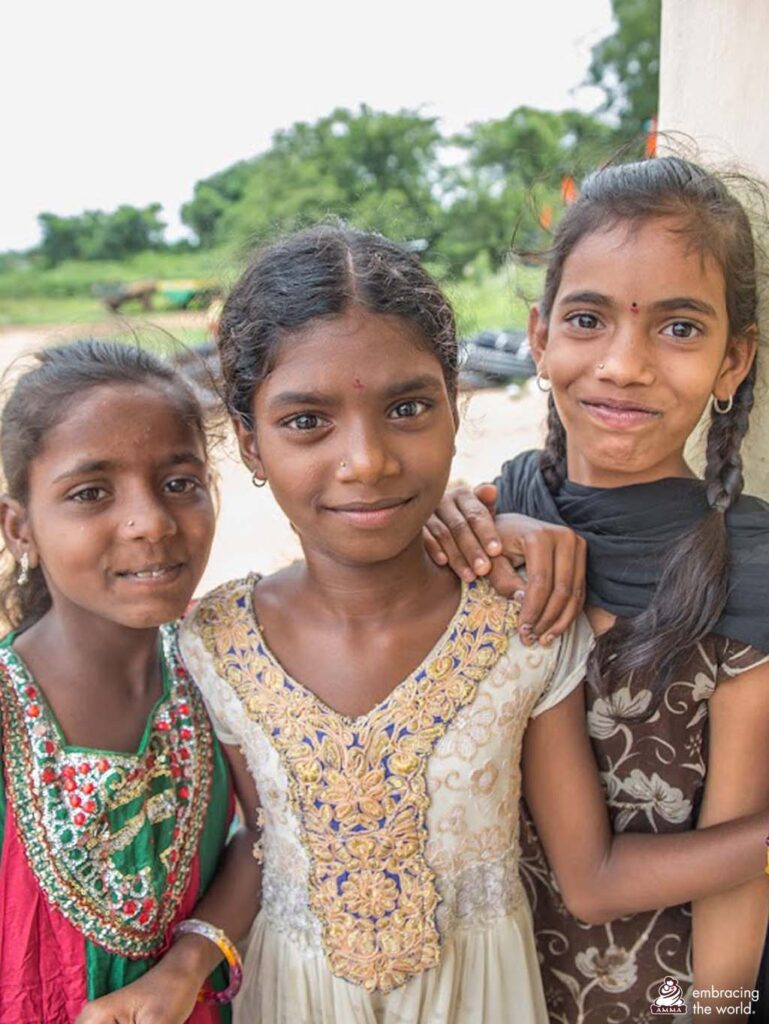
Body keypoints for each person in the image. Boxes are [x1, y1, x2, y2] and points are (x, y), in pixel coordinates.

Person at [161, 225, 766, 1024]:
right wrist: (189, 960)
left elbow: (597, 878)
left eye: (407, 407)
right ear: (249, 442)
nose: (366, 460)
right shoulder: (215, 644)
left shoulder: (522, 626)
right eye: (307, 420)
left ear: (455, 407)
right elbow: (263, 843)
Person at [423, 156, 769, 1020]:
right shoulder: (492, 520)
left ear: (734, 362)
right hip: (469, 984)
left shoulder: (750, 574)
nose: (623, 363)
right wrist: (445, 518)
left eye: (679, 330)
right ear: (539, 338)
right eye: (588, 319)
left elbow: (737, 876)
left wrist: (716, 1015)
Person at [0, 341, 259, 1024]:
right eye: (91, 493)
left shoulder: (228, 664)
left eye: (178, 482)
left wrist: (185, 966)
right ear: (19, 527)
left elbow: (270, 836)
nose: (150, 522)